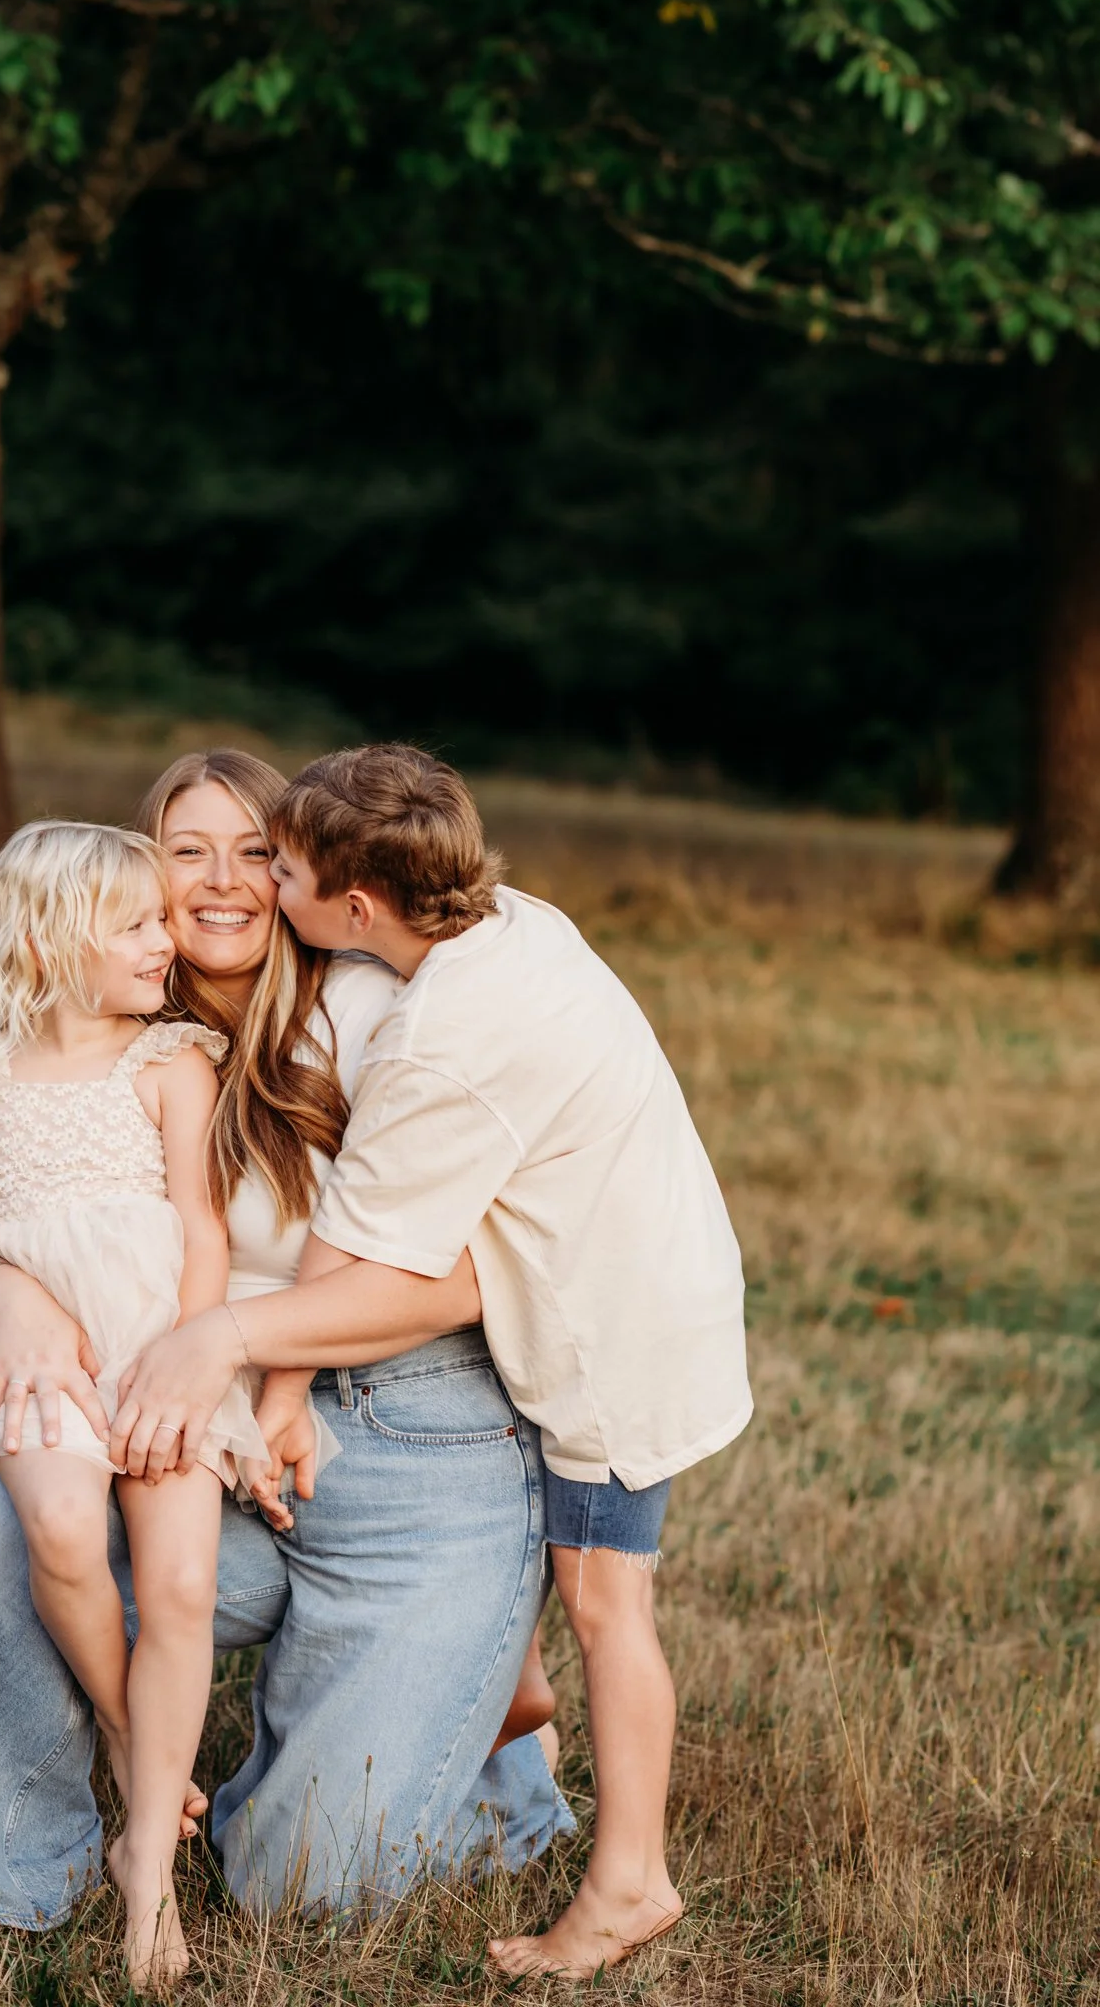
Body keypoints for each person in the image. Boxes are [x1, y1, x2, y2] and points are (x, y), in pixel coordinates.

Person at [0, 751, 571, 1932]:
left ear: (303, 871)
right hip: (183, 1402)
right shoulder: (129, 1016)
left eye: (255, 851)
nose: (219, 882)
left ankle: (475, 1740)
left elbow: (484, 1266)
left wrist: (238, 1341)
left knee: (303, 1882)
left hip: (406, 1428)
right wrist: (2, 1291)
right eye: (184, 853)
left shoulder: (376, 1010)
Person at [126, 744, 752, 1976]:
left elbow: (382, 1272)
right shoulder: (504, 922)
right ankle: (505, 1709)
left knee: (607, 1605)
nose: (260, 883)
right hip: (658, 1289)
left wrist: (237, 1343)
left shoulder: (439, 1044)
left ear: (355, 910)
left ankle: (626, 1874)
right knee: (587, 1602)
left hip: (608, 1345)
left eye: (280, 864)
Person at [0, 819, 272, 1986]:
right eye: (136, 924)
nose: (164, 941)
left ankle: (146, 1868)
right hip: (42, 1366)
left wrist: (191, 1365)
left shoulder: (168, 1062)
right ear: (50, 939)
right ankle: (134, 1734)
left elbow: (199, 1226)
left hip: (157, 1352)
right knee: (54, 1525)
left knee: (181, 1580)